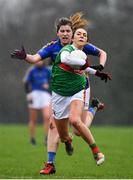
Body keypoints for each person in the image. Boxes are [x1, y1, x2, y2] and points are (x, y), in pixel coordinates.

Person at [11, 12, 110, 174]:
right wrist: (24, 57)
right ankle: (56, 155)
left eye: (68, 31)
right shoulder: (52, 47)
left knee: (77, 126)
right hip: (59, 91)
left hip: (80, 88)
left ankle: (93, 114)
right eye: (62, 31)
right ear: (58, 33)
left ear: (72, 33)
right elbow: (35, 58)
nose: (65, 34)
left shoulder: (80, 44)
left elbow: (101, 53)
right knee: (60, 130)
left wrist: (100, 67)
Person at [49, 27, 111, 173]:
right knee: (65, 135)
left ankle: (97, 152)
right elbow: (66, 60)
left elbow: (93, 60)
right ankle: (92, 110)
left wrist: (98, 72)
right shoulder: (66, 50)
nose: (82, 36)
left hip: (79, 89)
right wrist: (88, 67)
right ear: (73, 38)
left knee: (75, 121)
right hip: (60, 92)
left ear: (86, 39)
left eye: (84, 35)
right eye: (79, 34)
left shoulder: (83, 53)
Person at [23, 61, 52, 145]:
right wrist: (28, 94)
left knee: (47, 117)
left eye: (40, 60)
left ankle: (47, 138)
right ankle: (32, 139)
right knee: (33, 119)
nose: (38, 62)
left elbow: (52, 82)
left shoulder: (47, 70)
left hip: (45, 95)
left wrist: (48, 86)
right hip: (34, 94)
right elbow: (26, 82)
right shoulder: (32, 70)